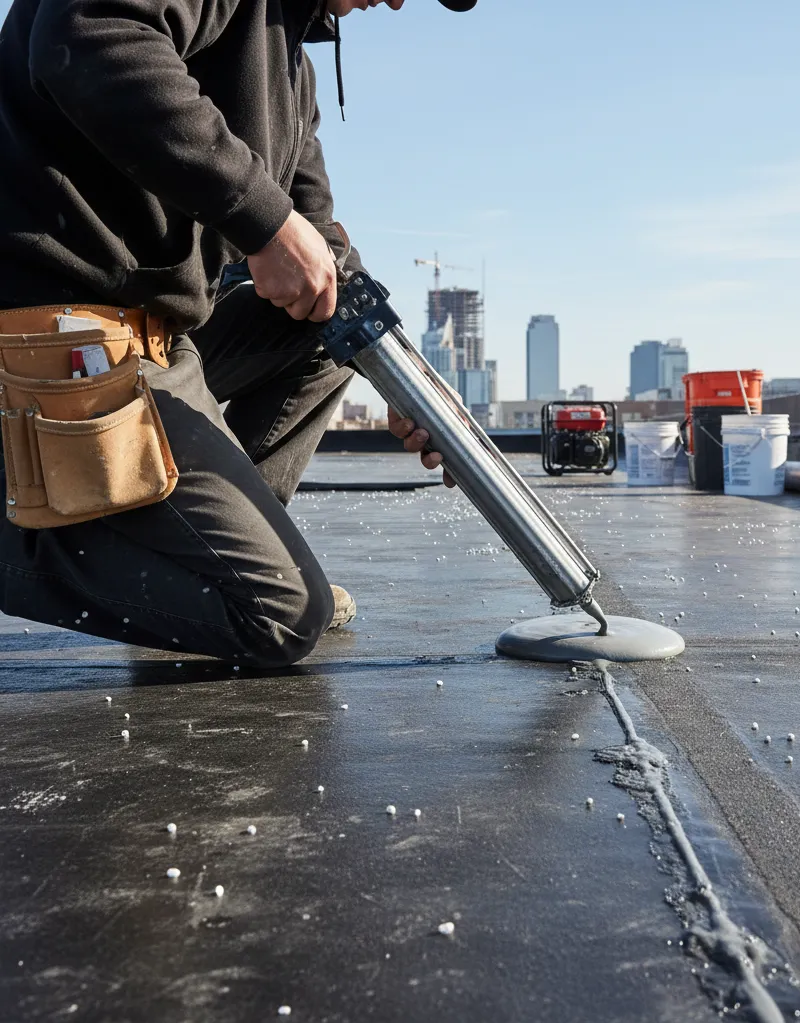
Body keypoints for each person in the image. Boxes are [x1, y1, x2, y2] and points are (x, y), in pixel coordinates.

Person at [0, 0, 477, 668]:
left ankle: (221, 561)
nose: (400, 2)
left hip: (156, 331)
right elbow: (89, 33)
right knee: (278, 617)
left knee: (327, 326)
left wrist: (407, 382)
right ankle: (232, 583)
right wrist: (264, 223)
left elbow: (319, 248)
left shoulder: (290, 61)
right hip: (54, 323)